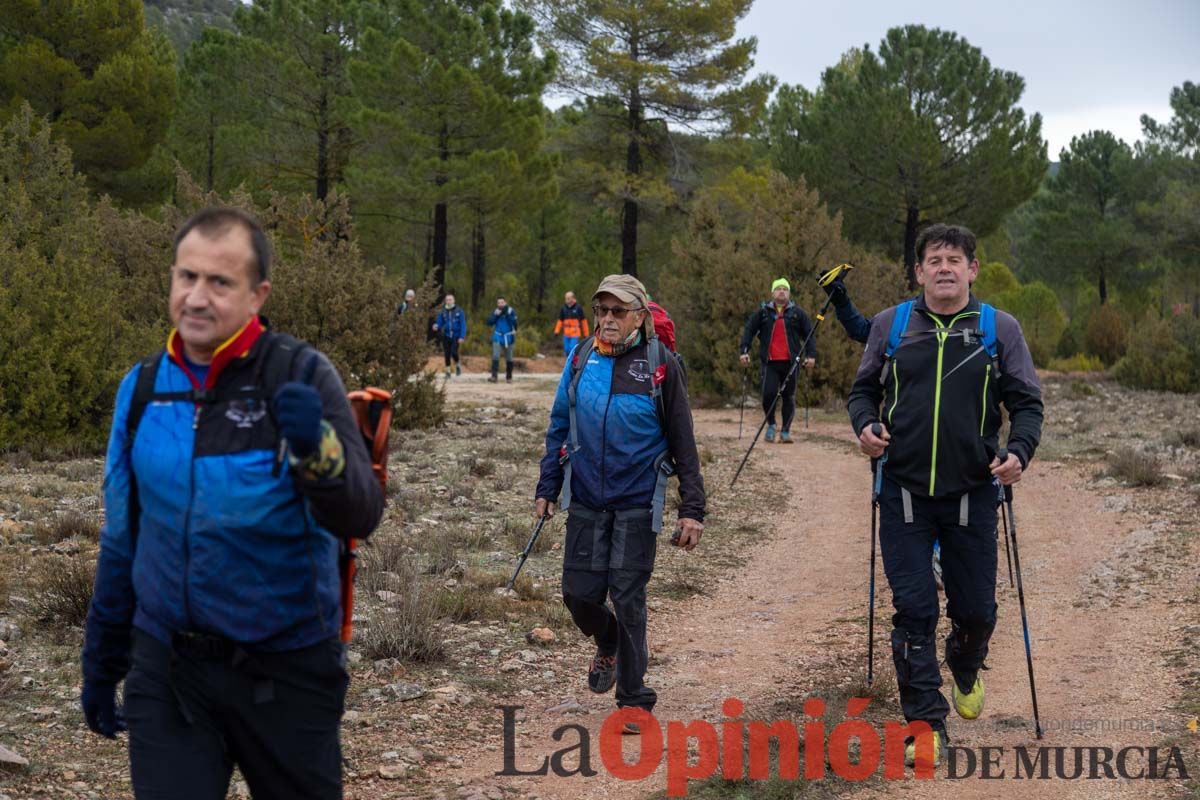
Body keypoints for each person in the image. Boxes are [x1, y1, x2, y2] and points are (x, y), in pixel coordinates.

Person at [80, 207, 385, 799]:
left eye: (220, 282)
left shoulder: (300, 375)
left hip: (288, 670)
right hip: (168, 668)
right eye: (186, 277)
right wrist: (103, 657)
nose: (197, 297)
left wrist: (315, 448)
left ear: (257, 294)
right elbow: (123, 534)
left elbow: (360, 513)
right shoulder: (142, 389)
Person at [847, 223, 1043, 766]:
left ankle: (965, 659)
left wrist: (1019, 452)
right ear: (918, 271)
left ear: (972, 269)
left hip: (974, 496)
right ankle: (924, 725)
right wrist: (865, 426)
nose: (945, 268)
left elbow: (1027, 403)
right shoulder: (892, 325)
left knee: (976, 611)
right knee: (914, 610)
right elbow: (863, 391)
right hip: (904, 494)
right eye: (934, 259)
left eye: (955, 259)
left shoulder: (997, 329)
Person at [534, 274, 705, 729]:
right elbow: (558, 426)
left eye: (618, 311)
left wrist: (693, 508)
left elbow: (683, 441)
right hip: (586, 496)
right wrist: (547, 486)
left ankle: (633, 699)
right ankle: (606, 640)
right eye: (602, 310)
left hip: (636, 500)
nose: (607, 319)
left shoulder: (659, 364)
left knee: (628, 597)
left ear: (639, 317)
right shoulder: (581, 357)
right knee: (577, 595)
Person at [738, 278, 817, 444]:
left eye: (785, 289)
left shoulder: (797, 313)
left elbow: (809, 334)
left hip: (791, 363)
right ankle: (772, 425)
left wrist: (811, 356)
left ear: (789, 293)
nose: (782, 291)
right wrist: (744, 350)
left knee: (789, 397)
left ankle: (786, 431)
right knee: (768, 395)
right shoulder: (763, 313)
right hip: (770, 363)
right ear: (772, 293)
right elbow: (749, 330)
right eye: (778, 289)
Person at [433, 293, 468, 377]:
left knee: (454, 352)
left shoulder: (459, 311)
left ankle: (458, 364)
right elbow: (440, 322)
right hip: (446, 335)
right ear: (445, 301)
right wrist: (436, 325)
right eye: (447, 300)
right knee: (447, 353)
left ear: (454, 301)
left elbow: (463, 324)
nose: (448, 301)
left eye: (450, 300)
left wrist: (462, 336)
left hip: (456, 335)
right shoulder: (443, 311)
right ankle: (448, 371)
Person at [486, 297, 519, 383]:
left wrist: (507, 315)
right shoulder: (496, 311)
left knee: (509, 357)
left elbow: (515, 323)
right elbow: (489, 322)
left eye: (502, 302)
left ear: (505, 302)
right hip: (498, 336)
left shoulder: (511, 311)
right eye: (499, 303)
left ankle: (509, 377)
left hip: (508, 337)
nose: (500, 304)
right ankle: (494, 376)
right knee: (495, 355)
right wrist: (496, 316)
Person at [554, 291, 589, 356]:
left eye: (568, 298)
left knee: (572, 349)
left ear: (572, 298)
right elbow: (560, 321)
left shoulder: (578, 308)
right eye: (566, 298)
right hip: (566, 334)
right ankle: (569, 362)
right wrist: (556, 331)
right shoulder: (563, 308)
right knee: (566, 350)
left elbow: (583, 322)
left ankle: (573, 364)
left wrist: (586, 334)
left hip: (575, 333)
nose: (566, 300)